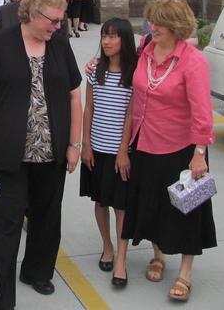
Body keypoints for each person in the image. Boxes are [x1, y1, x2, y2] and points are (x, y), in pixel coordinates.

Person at [0, 0, 82, 310]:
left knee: (47, 217)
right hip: (9, 156)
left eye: (61, 21)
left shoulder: (59, 45)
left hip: (52, 153)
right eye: (53, 20)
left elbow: (75, 95)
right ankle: (4, 297)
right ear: (32, 15)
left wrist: (74, 144)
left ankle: (37, 271)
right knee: (6, 226)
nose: (58, 26)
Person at [120, 0, 216, 302]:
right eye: (150, 21)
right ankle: (158, 255)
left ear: (177, 26)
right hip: (146, 142)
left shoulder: (193, 60)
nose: (152, 26)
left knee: (187, 209)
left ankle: (185, 274)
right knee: (152, 204)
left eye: (159, 22)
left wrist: (199, 152)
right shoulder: (145, 51)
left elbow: (202, 111)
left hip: (183, 148)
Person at [79, 18, 137, 288]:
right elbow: (88, 108)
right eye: (104, 35)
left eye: (113, 36)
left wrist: (123, 151)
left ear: (125, 40)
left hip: (120, 153)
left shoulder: (134, 74)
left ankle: (122, 260)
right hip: (96, 150)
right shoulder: (95, 71)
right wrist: (85, 144)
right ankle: (108, 247)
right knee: (100, 201)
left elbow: (130, 115)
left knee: (121, 206)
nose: (106, 41)